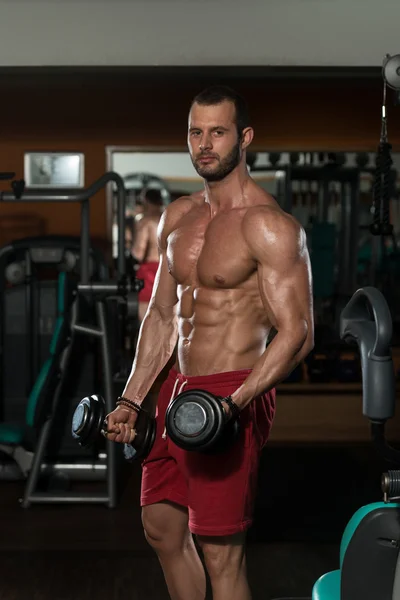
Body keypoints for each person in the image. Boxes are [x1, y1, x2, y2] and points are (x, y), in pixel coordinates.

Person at [106, 86, 314, 600]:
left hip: (230, 387)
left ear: (243, 138)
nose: (205, 144)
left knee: (221, 551)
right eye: (196, 132)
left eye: (217, 132)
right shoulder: (178, 218)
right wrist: (134, 396)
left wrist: (234, 404)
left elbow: (299, 334)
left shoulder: (268, 226)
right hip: (175, 384)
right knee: (161, 527)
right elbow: (160, 317)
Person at [132, 188, 164, 321]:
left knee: (147, 322)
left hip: (150, 273)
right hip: (169, 270)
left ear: (146, 201)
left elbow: (138, 253)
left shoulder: (145, 222)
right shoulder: (170, 218)